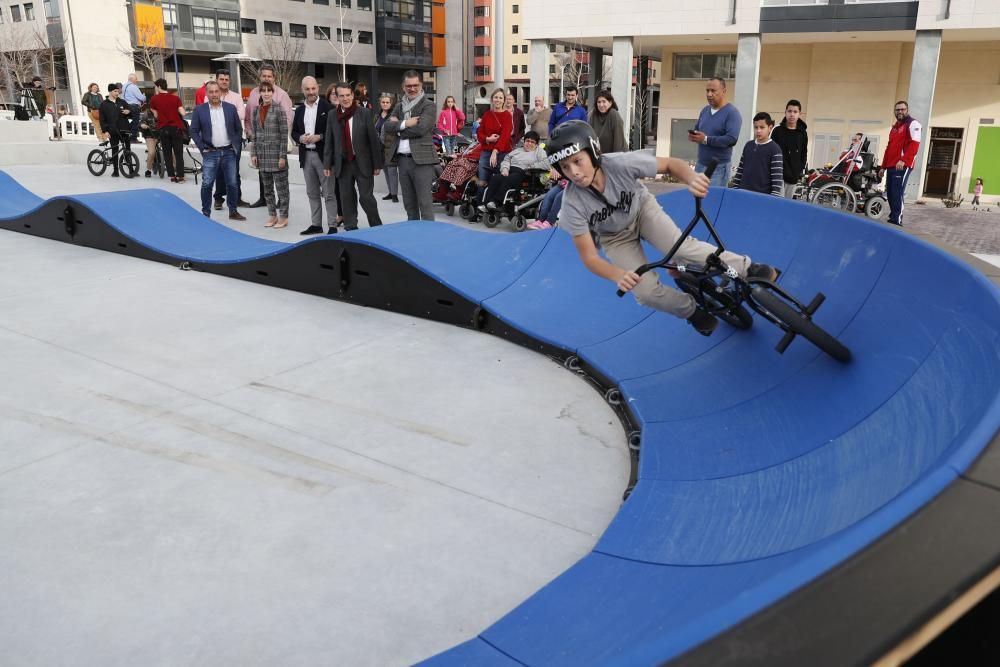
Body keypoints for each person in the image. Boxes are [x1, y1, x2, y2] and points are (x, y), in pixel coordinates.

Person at [545, 120, 778, 337]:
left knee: (681, 249)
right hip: (614, 237)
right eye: (565, 167)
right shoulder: (572, 203)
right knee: (644, 292)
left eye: (578, 161)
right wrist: (619, 275)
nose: (574, 172)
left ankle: (748, 267)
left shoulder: (620, 164)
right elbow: (589, 257)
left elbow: (670, 164)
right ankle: (691, 311)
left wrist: (691, 178)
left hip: (642, 210)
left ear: (593, 152)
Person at [323, 82, 383, 231]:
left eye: (348, 95)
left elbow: (373, 141)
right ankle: (351, 228)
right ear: (337, 97)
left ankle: (377, 227)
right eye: (342, 96)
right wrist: (327, 164)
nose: (345, 98)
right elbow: (329, 140)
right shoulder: (332, 115)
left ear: (352, 95)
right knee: (346, 198)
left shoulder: (364, 113)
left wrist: (377, 164)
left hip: (363, 163)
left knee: (366, 198)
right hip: (343, 164)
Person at [382, 70, 438, 221]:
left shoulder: (429, 105)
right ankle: (413, 237)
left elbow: (421, 128)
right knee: (409, 205)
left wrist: (398, 129)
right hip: (402, 160)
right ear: (403, 86)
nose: (412, 89)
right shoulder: (399, 106)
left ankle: (428, 238)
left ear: (421, 85)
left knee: (425, 204)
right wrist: (407, 123)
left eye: (415, 85)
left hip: (422, 161)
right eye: (409, 86)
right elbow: (387, 126)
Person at [190, 81, 246, 221]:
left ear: (220, 93)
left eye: (216, 91)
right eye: (211, 92)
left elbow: (238, 129)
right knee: (207, 183)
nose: (214, 94)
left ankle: (233, 211)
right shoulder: (199, 110)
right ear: (207, 93)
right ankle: (206, 213)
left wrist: (236, 146)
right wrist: (202, 147)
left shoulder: (230, 108)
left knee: (232, 183)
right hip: (210, 152)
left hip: (229, 152)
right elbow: (194, 130)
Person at [291, 76, 336, 235]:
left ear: (318, 88)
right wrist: (300, 138)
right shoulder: (299, 110)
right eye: (307, 89)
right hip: (306, 156)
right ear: (303, 90)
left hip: (323, 157)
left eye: (313, 88)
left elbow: (333, 133)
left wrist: (320, 137)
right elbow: (294, 132)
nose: (311, 92)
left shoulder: (329, 108)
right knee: (312, 193)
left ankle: (332, 225)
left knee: (329, 193)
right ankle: (316, 224)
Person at [245, 65, 293, 208]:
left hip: (276, 143)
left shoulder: (282, 95)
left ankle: (281, 201)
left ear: (274, 78)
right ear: (260, 77)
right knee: (263, 173)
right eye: (264, 76)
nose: (266, 78)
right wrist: (250, 133)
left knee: (279, 174)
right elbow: (248, 116)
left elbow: (288, 119)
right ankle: (264, 198)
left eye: (269, 76)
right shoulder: (254, 94)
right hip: (259, 141)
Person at [250, 82, 291, 229]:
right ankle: (272, 215)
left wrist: (282, 156)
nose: (266, 93)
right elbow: (254, 134)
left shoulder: (279, 109)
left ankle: (284, 217)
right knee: (267, 190)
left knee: (282, 189)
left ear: (273, 92)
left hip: (276, 156)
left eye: (269, 91)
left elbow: (284, 135)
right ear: (259, 93)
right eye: (263, 91)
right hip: (262, 156)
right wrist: (253, 153)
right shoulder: (255, 111)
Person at [688, 77, 741, 187]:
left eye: (713, 91)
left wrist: (706, 139)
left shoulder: (732, 113)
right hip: (700, 164)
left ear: (724, 91)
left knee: (713, 202)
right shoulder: (705, 110)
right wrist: (694, 135)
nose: (709, 94)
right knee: (697, 199)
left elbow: (731, 139)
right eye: (707, 91)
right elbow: (698, 129)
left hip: (719, 168)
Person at [480, 131, 549, 210]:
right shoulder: (517, 150)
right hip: (510, 170)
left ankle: (496, 202)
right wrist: (505, 168)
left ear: (536, 144)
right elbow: (507, 159)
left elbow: (546, 163)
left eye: (532, 142)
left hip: (525, 173)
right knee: (496, 178)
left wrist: (531, 167)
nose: (529, 143)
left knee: (511, 178)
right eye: (527, 141)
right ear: (524, 141)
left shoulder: (539, 152)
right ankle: (486, 204)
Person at [879, 100, 921, 226]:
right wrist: (883, 167)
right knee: (890, 192)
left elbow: (915, 144)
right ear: (894, 111)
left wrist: (903, 160)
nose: (900, 111)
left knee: (897, 191)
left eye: (902, 109)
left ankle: (897, 220)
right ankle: (893, 217)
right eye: (898, 110)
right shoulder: (894, 128)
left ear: (907, 110)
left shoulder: (913, 124)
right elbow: (889, 148)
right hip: (891, 165)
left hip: (902, 164)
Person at [213, 69, 249, 210]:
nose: (224, 81)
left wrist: (221, 114)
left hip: (234, 139)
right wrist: (229, 113)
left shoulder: (236, 96)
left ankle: (237, 198)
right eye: (221, 79)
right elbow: (207, 114)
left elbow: (242, 114)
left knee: (234, 170)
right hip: (216, 139)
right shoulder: (210, 95)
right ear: (217, 80)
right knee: (219, 170)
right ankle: (218, 198)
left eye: (227, 79)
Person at [475, 88, 513, 205]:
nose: (498, 100)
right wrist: (488, 139)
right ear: (492, 99)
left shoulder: (507, 116)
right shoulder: (487, 114)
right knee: (482, 182)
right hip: (486, 153)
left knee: (497, 182)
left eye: (500, 98)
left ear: (504, 100)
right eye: (496, 97)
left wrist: (495, 151)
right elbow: (479, 132)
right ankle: (479, 207)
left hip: (502, 153)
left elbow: (505, 136)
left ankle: (492, 207)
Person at [732, 112, 783, 196]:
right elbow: (740, 169)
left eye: (762, 127)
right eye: (756, 127)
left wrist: (774, 197)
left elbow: (777, 177)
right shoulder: (748, 145)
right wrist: (735, 188)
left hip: (763, 196)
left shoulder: (775, 149)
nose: (758, 130)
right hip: (743, 192)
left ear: (770, 128)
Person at [148, 78, 187, 183]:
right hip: (176, 129)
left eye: (156, 86)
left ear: (159, 87)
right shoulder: (175, 98)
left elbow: (156, 116)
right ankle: (181, 177)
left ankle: (172, 176)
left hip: (163, 129)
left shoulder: (154, 99)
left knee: (167, 153)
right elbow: (183, 113)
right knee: (178, 154)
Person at [770, 99, 808, 198]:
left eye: (795, 112)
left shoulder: (802, 133)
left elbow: (804, 152)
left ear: (799, 114)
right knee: (778, 201)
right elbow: (771, 151)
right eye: (789, 111)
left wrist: (800, 168)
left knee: (788, 203)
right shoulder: (777, 130)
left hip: (793, 175)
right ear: (785, 112)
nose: (792, 114)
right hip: (778, 173)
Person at [97, 84, 132, 177]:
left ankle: (131, 169)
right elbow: (102, 119)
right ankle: (115, 171)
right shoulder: (104, 104)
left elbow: (130, 111)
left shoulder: (122, 102)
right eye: (115, 91)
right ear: (110, 91)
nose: (117, 93)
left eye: (118, 91)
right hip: (112, 131)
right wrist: (105, 131)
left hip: (124, 129)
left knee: (127, 150)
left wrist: (128, 111)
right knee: (114, 150)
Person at [375, 93, 399, 203]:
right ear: (380, 103)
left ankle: (395, 195)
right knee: (385, 170)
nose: (385, 104)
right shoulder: (377, 116)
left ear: (391, 103)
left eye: (387, 102)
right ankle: (390, 192)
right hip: (380, 147)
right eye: (383, 102)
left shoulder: (394, 116)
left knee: (392, 170)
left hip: (391, 147)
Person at [121, 73, 146, 144]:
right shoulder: (133, 87)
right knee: (136, 121)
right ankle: (133, 138)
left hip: (126, 106)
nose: (137, 80)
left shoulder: (124, 86)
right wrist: (144, 97)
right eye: (136, 79)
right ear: (131, 79)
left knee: (134, 121)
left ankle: (127, 131)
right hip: (134, 106)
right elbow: (141, 98)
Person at [138, 105, 159, 178]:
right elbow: (141, 123)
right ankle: (148, 170)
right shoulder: (147, 113)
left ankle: (176, 170)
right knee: (152, 152)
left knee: (171, 151)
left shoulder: (163, 111)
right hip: (149, 134)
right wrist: (143, 125)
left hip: (161, 134)